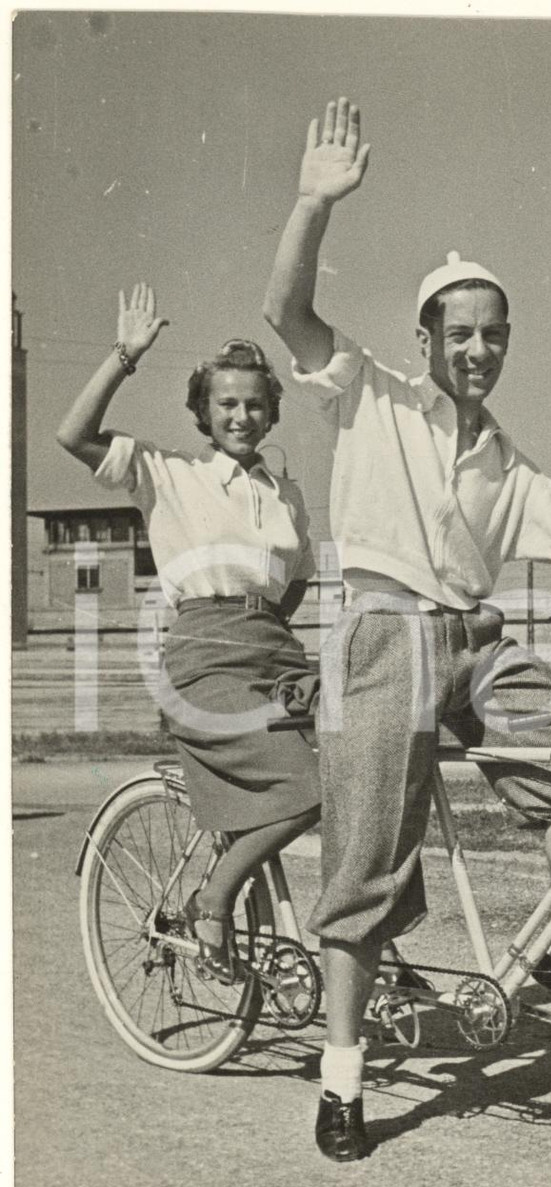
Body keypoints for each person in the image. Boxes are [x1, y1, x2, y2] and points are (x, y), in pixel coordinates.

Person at [263, 99, 551, 1163]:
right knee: (366, 862)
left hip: (477, 641)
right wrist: (313, 202)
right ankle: (341, 1080)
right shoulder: (371, 394)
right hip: (384, 633)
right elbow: (285, 310)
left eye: (493, 336)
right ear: (425, 337)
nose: (476, 350)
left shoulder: (507, 461)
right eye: (459, 333)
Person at [56, 284, 322, 983]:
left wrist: (262, 626)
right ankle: (214, 896)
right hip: (204, 656)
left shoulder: (285, 491)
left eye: (254, 403)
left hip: (275, 650)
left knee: (367, 766)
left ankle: (371, 943)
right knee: (308, 788)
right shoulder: (168, 472)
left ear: (271, 411)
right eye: (226, 403)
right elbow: (73, 434)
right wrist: (124, 356)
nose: (241, 414)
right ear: (203, 410)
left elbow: (297, 579)